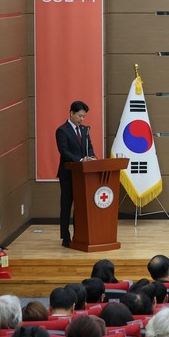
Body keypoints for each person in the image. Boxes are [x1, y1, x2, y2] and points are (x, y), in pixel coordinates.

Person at [56, 100, 96, 247]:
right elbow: (64, 151)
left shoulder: (85, 130)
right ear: (71, 113)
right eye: (79, 116)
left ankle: (79, 235)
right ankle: (65, 237)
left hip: (82, 175)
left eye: (83, 116)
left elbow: (89, 147)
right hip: (68, 174)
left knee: (80, 206)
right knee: (66, 206)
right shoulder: (62, 130)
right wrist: (80, 160)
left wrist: (91, 157)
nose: (81, 119)